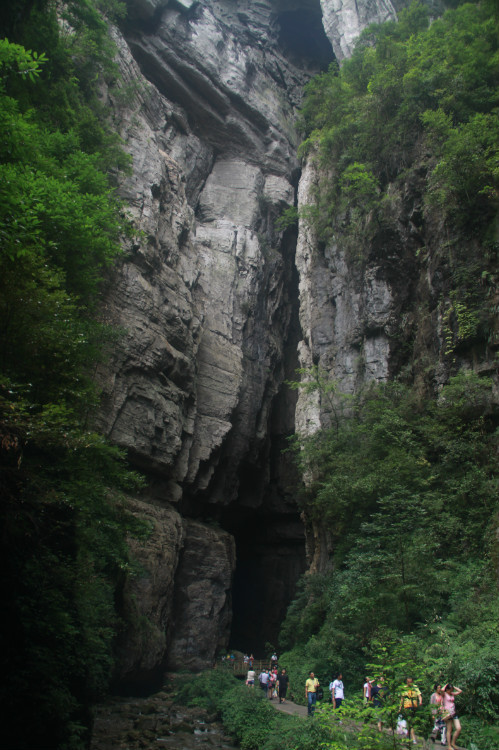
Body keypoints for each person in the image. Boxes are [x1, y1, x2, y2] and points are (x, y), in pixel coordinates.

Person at [399, 677, 422, 745]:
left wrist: (420, 701)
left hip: (414, 706)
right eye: (408, 682)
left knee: (411, 722)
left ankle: (407, 736)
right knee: (410, 723)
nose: (409, 683)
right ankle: (413, 738)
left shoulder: (415, 687)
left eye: (410, 681)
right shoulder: (404, 688)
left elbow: (419, 695)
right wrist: (400, 708)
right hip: (407, 706)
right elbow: (402, 699)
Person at [442, 683, 462, 750]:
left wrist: (454, 687)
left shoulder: (452, 694)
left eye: (451, 690)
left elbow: (460, 691)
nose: (451, 691)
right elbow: (442, 690)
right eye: (449, 690)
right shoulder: (444, 694)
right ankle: (449, 746)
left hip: (453, 712)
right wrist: (446, 685)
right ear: (447, 689)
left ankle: (453, 743)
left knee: (458, 728)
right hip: (447, 713)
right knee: (449, 730)